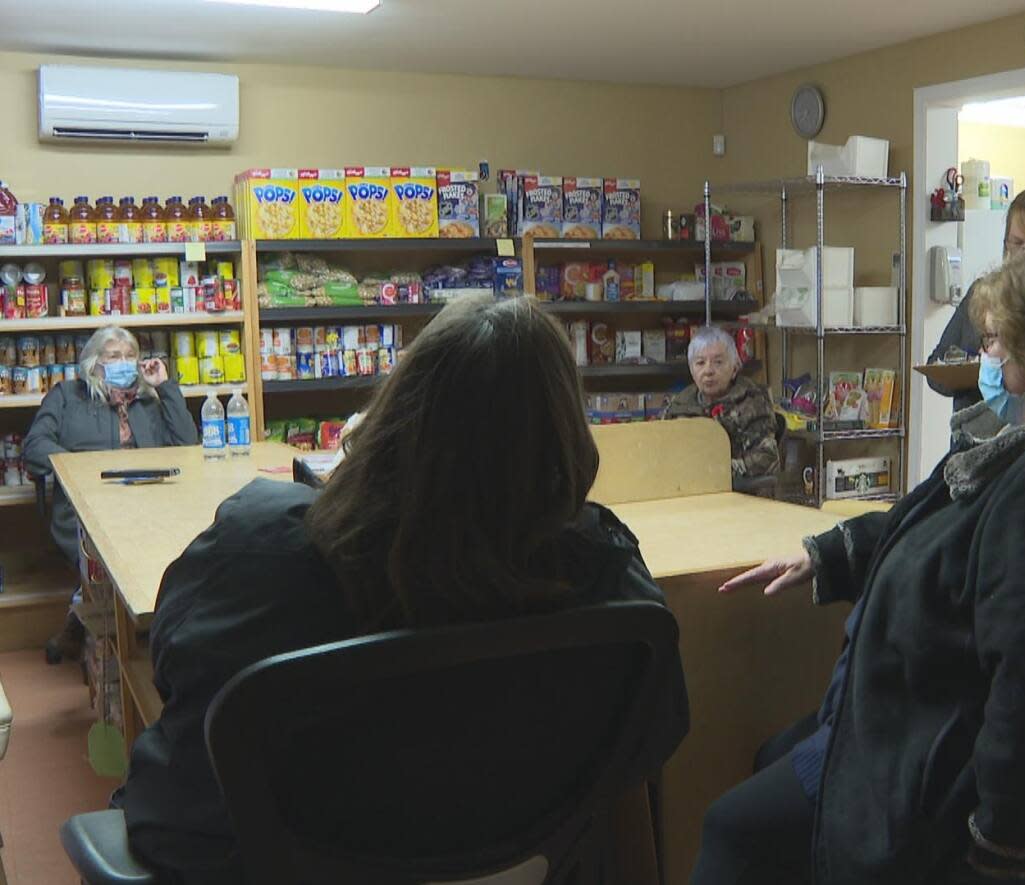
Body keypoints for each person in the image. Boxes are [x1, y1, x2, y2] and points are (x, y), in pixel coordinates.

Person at [115, 294, 690, 884]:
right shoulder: (602, 571)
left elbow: (173, 661)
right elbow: (653, 731)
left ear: (393, 411)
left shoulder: (260, 544)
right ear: (565, 432)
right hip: (510, 858)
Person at [693, 246, 1025, 885]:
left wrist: (1002, 847)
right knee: (770, 764)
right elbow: (945, 527)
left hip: (935, 760)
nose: (989, 360)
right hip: (910, 724)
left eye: (998, 342)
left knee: (736, 831)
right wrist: (832, 553)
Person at [24, 325, 197, 663]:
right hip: (89, 504)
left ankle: (115, 623)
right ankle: (95, 623)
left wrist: (167, 387)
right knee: (113, 551)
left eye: (130, 355)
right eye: (114, 356)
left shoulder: (149, 399)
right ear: (94, 363)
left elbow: (187, 445)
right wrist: (79, 469)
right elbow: (35, 446)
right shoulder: (67, 396)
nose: (124, 362)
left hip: (151, 500)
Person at [927, 186, 1025, 413]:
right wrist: (986, 371)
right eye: (1018, 243)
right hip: (974, 435)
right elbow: (937, 370)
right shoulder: (984, 296)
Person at [662, 325, 778, 480]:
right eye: (700, 363)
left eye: (718, 362)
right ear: (691, 370)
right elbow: (659, 450)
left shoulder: (752, 402)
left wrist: (716, 472)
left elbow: (767, 458)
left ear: (734, 369)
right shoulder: (680, 405)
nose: (708, 371)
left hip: (737, 493)